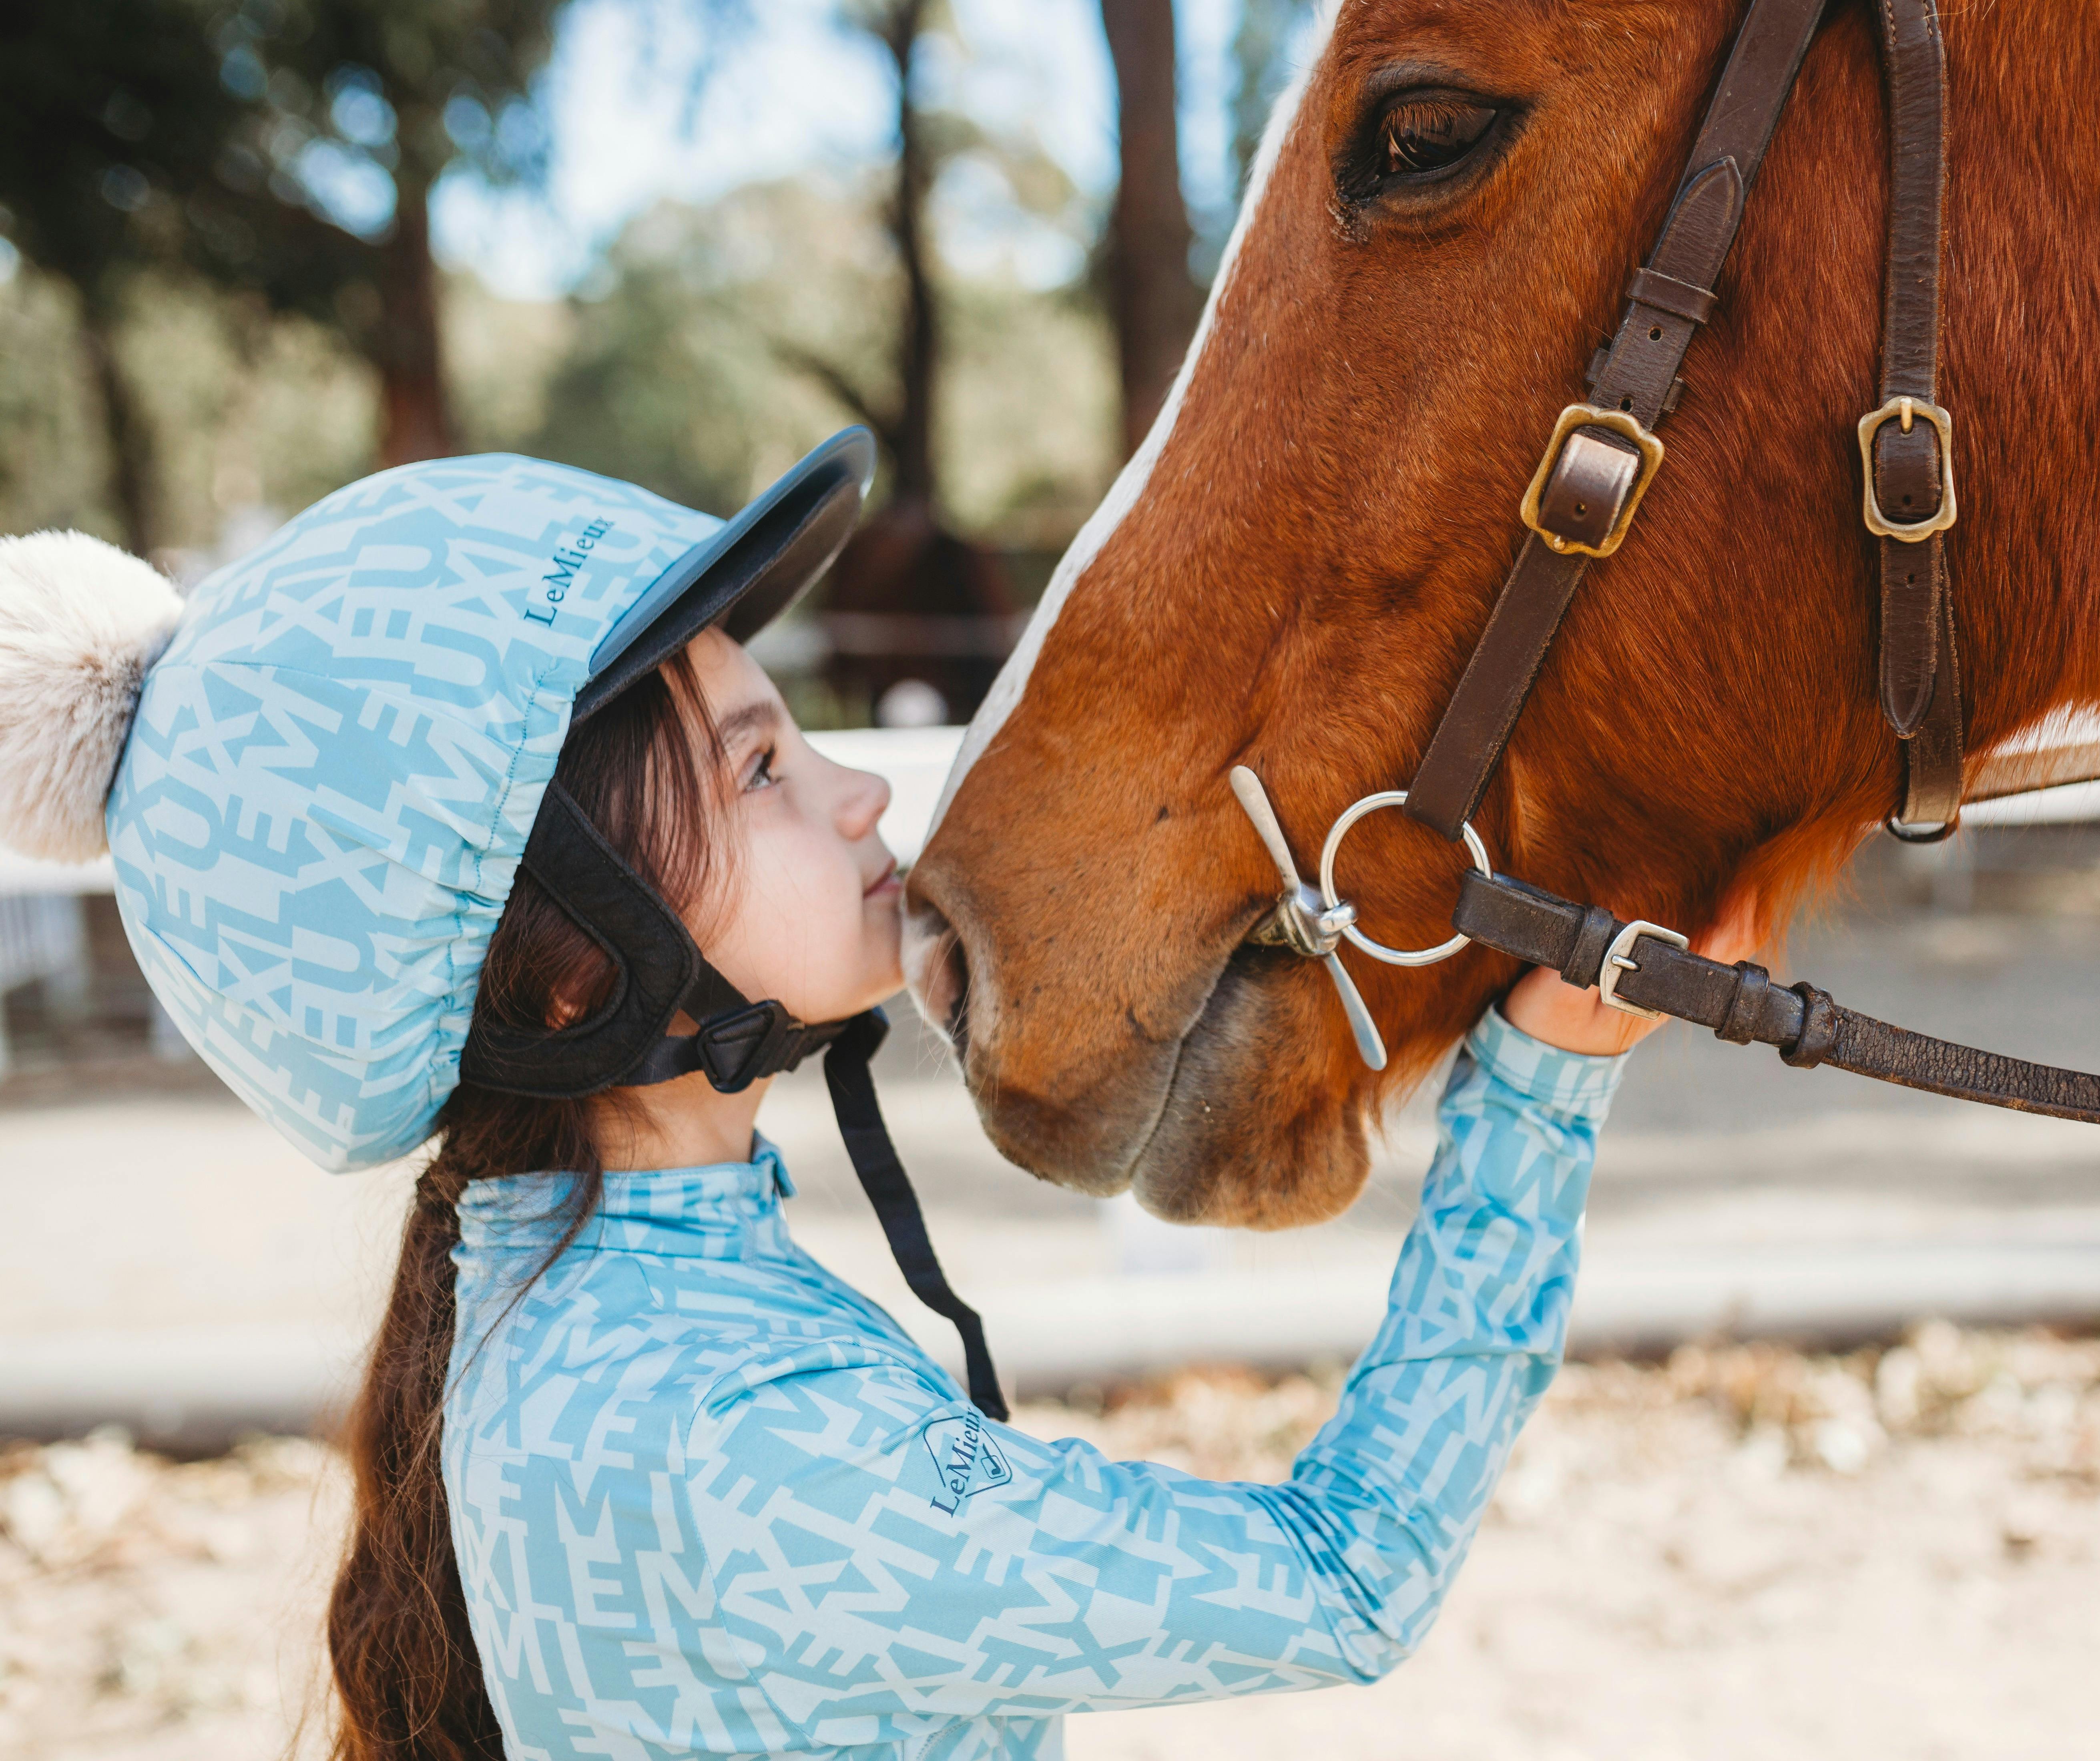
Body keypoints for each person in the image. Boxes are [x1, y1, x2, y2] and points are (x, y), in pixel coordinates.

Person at [0, 431, 1752, 1761]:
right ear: (560, 963)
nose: (852, 797)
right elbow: (1346, 1574)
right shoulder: (717, 1429)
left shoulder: (591, 1309)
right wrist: (1540, 1087)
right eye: (760, 765)